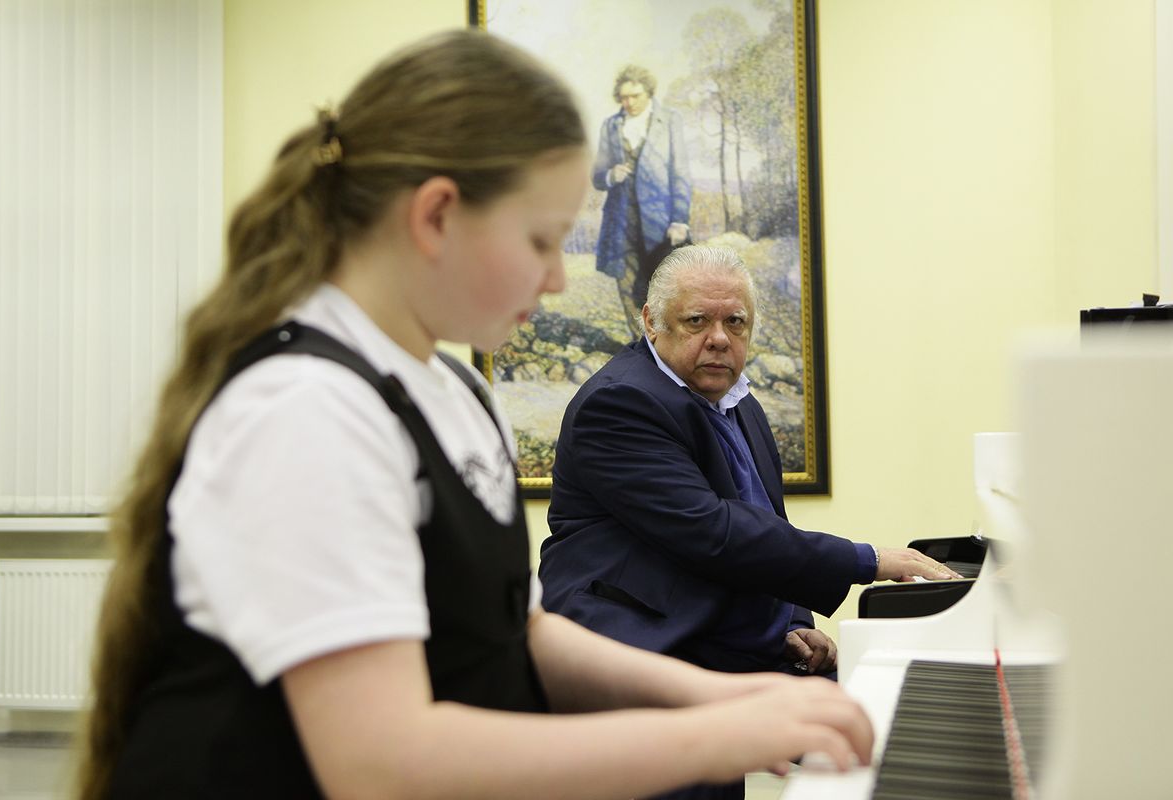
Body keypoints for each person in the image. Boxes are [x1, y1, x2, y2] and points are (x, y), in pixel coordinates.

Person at [74, 31, 873, 800]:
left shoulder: (452, 390)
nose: (556, 279)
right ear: (436, 216)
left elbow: (519, 632)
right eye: (541, 240)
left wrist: (721, 696)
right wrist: (714, 736)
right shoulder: (306, 409)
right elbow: (379, 765)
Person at [540, 244, 961, 798]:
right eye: (697, 321)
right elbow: (714, 532)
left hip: (718, 647)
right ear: (651, 322)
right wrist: (868, 560)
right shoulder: (620, 403)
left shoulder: (739, 403)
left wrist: (792, 621)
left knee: (896, 724)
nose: (719, 338)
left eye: (735, 322)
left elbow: (765, 518)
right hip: (641, 658)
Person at [594, 64, 692, 337]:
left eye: (635, 96)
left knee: (662, 289)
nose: (629, 103)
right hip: (620, 223)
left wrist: (680, 219)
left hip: (660, 224)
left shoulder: (670, 120)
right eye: (624, 97)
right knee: (626, 286)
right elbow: (597, 176)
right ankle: (641, 347)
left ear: (648, 92)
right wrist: (610, 175)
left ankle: (668, 348)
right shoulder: (611, 126)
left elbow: (680, 173)